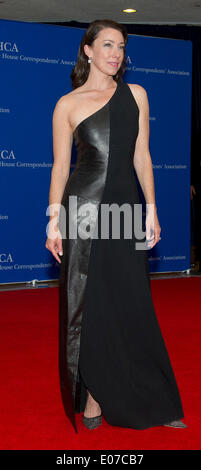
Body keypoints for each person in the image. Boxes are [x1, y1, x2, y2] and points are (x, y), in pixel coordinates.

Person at [45, 19, 187, 433]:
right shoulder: (67, 104)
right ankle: (93, 395)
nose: (115, 54)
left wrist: (152, 208)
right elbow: (59, 167)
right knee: (91, 306)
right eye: (107, 45)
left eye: (121, 47)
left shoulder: (136, 95)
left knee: (132, 302)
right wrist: (54, 221)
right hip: (84, 212)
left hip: (124, 209)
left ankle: (152, 399)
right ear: (87, 50)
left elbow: (142, 156)